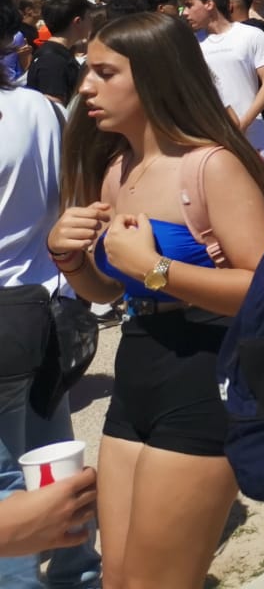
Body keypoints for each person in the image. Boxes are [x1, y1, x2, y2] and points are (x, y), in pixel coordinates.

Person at [49, 12, 264, 589]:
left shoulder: (211, 165)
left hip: (204, 375)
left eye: (105, 73)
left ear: (155, 77)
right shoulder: (117, 169)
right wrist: (70, 258)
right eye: (88, 71)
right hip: (139, 366)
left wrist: (156, 270)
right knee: (118, 576)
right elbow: (109, 290)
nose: (86, 87)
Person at [0, 61, 101, 588]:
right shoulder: (41, 107)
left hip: (11, 313)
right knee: (56, 457)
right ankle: (78, 571)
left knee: (5, 479)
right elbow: (69, 195)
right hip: (47, 305)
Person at [182, 0, 264, 159]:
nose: (185, 13)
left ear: (209, 4)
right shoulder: (191, 43)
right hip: (210, 136)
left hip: (251, 133)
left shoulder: (250, 35)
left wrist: (243, 123)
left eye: (189, 5)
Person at [25, 0, 88, 107]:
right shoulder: (52, 61)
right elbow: (54, 110)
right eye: (89, 18)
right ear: (78, 21)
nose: (91, 23)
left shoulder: (58, 53)